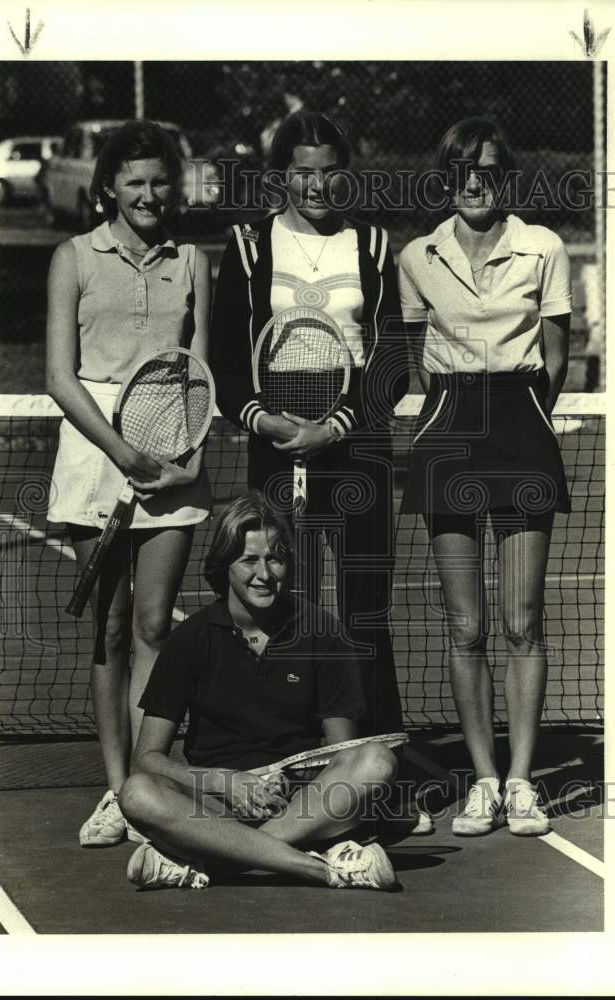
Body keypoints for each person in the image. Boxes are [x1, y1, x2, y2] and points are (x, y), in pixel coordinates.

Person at [397, 117, 573, 837]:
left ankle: (524, 784)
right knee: (466, 625)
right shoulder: (417, 255)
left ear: (507, 179)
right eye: (463, 168)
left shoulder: (545, 247)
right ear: (446, 175)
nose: (476, 181)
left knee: (521, 623)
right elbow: (414, 356)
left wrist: (520, 412)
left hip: (522, 427)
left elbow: (557, 357)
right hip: (447, 429)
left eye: (490, 169)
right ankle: (483, 783)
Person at [210, 110, 408, 737]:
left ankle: (377, 756)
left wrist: (337, 427)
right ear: (281, 177)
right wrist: (264, 421)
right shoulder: (246, 245)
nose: (316, 186)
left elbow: (392, 361)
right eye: (302, 173)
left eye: (328, 173)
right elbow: (227, 362)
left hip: (357, 446)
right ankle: (285, 751)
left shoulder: (373, 245)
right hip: (276, 444)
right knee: (278, 601)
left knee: (362, 608)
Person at [45, 119, 212, 847]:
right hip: (94, 450)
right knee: (110, 631)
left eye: (159, 181)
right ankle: (116, 790)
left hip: (174, 447)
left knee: (154, 627)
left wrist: (190, 457)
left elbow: (199, 369)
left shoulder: (194, 260)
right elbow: (58, 375)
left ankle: (149, 785)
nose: (148, 194)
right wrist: (121, 452)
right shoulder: (72, 257)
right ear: (109, 185)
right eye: (133, 182)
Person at [118, 491, 400, 891]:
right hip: (214, 804)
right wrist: (222, 781)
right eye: (249, 560)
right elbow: (145, 760)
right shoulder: (190, 639)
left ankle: (214, 860)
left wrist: (291, 784)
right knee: (138, 793)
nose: (264, 574)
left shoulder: (323, 632)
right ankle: (317, 868)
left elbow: (342, 753)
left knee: (375, 762)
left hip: (299, 804)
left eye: (275, 559)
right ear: (225, 566)